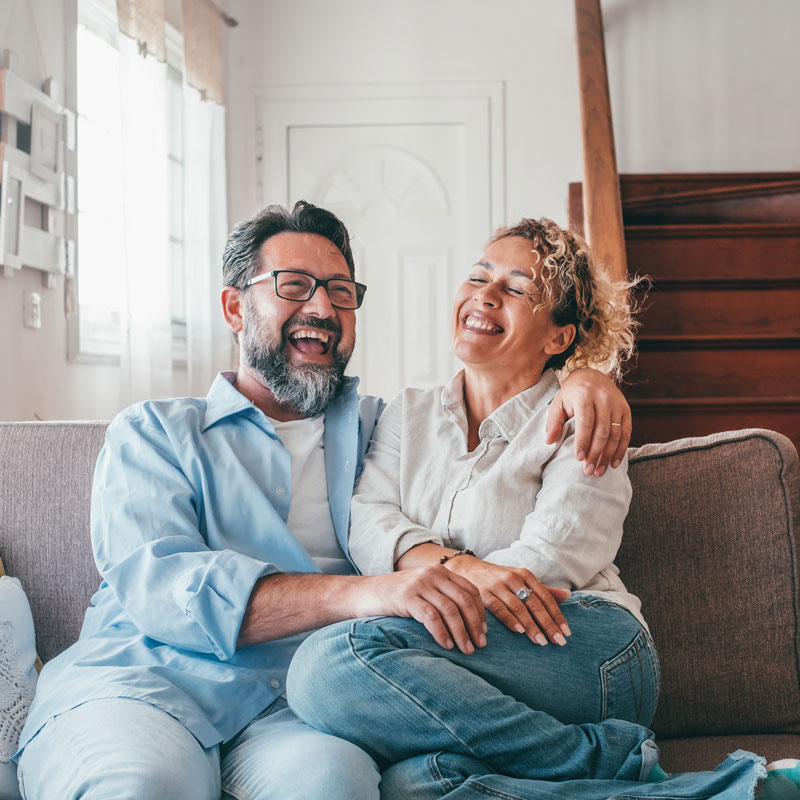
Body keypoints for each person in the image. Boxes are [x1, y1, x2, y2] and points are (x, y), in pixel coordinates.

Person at [13, 202, 632, 800]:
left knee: (334, 785)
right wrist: (369, 593)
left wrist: (587, 378)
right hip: (144, 685)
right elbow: (163, 586)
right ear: (235, 307)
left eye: (340, 291)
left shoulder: (382, 428)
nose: (322, 306)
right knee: (141, 787)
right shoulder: (152, 432)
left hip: (295, 706)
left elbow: (505, 393)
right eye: (293, 285)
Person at [285, 217, 800, 800]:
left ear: (559, 338)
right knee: (416, 785)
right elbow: (370, 520)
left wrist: (432, 582)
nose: (484, 294)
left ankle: (617, 760)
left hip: (582, 641)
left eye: (515, 288)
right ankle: (732, 793)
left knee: (329, 662)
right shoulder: (409, 412)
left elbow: (548, 562)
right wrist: (460, 569)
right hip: (471, 650)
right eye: (478, 277)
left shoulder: (584, 414)